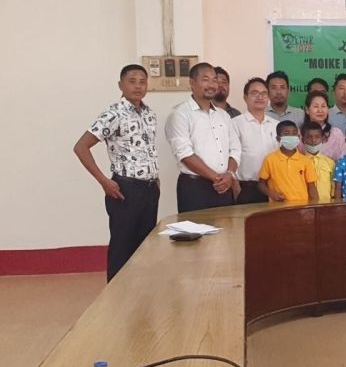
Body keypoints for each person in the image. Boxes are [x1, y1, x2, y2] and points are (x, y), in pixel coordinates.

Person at [73, 64, 159, 281]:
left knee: (145, 246)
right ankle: (115, 301)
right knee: (122, 246)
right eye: (132, 81)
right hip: (125, 189)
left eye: (142, 81)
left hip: (149, 189)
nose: (138, 86)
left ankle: (139, 296)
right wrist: (104, 181)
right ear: (120, 84)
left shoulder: (149, 114)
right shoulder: (114, 114)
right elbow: (81, 147)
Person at [165, 62, 241, 213]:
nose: (212, 85)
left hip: (224, 186)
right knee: (197, 234)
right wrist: (217, 178)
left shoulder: (223, 115)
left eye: (214, 80)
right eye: (205, 79)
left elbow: (235, 149)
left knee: (226, 234)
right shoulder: (180, 114)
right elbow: (184, 154)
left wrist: (230, 175)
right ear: (192, 83)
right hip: (195, 188)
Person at [231, 77, 279, 204]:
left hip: (272, 188)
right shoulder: (235, 124)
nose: (260, 97)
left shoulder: (276, 126)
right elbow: (230, 156)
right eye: (254, 93)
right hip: (246, 188)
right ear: (245, 97)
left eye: (264, 94)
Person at [257, 120, 318, 202]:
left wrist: (315, 205)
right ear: (278, 138)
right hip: (278, 207)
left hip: (302, 207)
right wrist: (272, 194)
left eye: (294, 133)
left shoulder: (305, 161)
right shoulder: (270, 159)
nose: (291, 136)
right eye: (286, 133)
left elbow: (312, 186)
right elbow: (261, 183)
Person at [301, 90, 346, 161]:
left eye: (323, 106)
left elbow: (344, 159)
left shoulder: (336, 133)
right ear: (307, 110)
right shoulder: (300, 134)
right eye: (316, 106)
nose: (320, 110)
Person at [302, 122, 335, 201]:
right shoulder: (299, 162)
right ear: (303, 140)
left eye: (317, 137)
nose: (313, 140)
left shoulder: (330, 162)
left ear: (323, 139)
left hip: (326, 204)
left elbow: (333, 185)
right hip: (305, 204)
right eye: (309, 137)